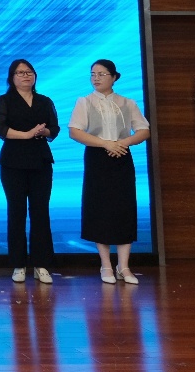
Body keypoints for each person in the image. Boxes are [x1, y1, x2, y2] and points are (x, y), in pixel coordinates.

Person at [68, 59, 150, 285]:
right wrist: (106, 144)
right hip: (97, 157)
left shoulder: (127, 102)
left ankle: (124, 266)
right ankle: (105, 265)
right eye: (93, 74)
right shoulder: (84, 101)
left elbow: (143, 130)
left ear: (114, 77)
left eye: (102, 74)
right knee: (99, 209)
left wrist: (123, 142)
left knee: (124, 208)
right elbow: (75, 131)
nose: (96, 78)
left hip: (122, 155)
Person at [0, 58, 59, 285]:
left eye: (29, 72)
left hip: (40, 161)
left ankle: (42, 264)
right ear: (12, 77)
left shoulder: (44, 100)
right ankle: (18, 264)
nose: (26, 76)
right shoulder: (4, 100)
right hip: (13, 161)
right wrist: (27, 134)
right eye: (20, 73)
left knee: (41, 212)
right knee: (16, 211)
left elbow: (54, 128)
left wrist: (44, 132)